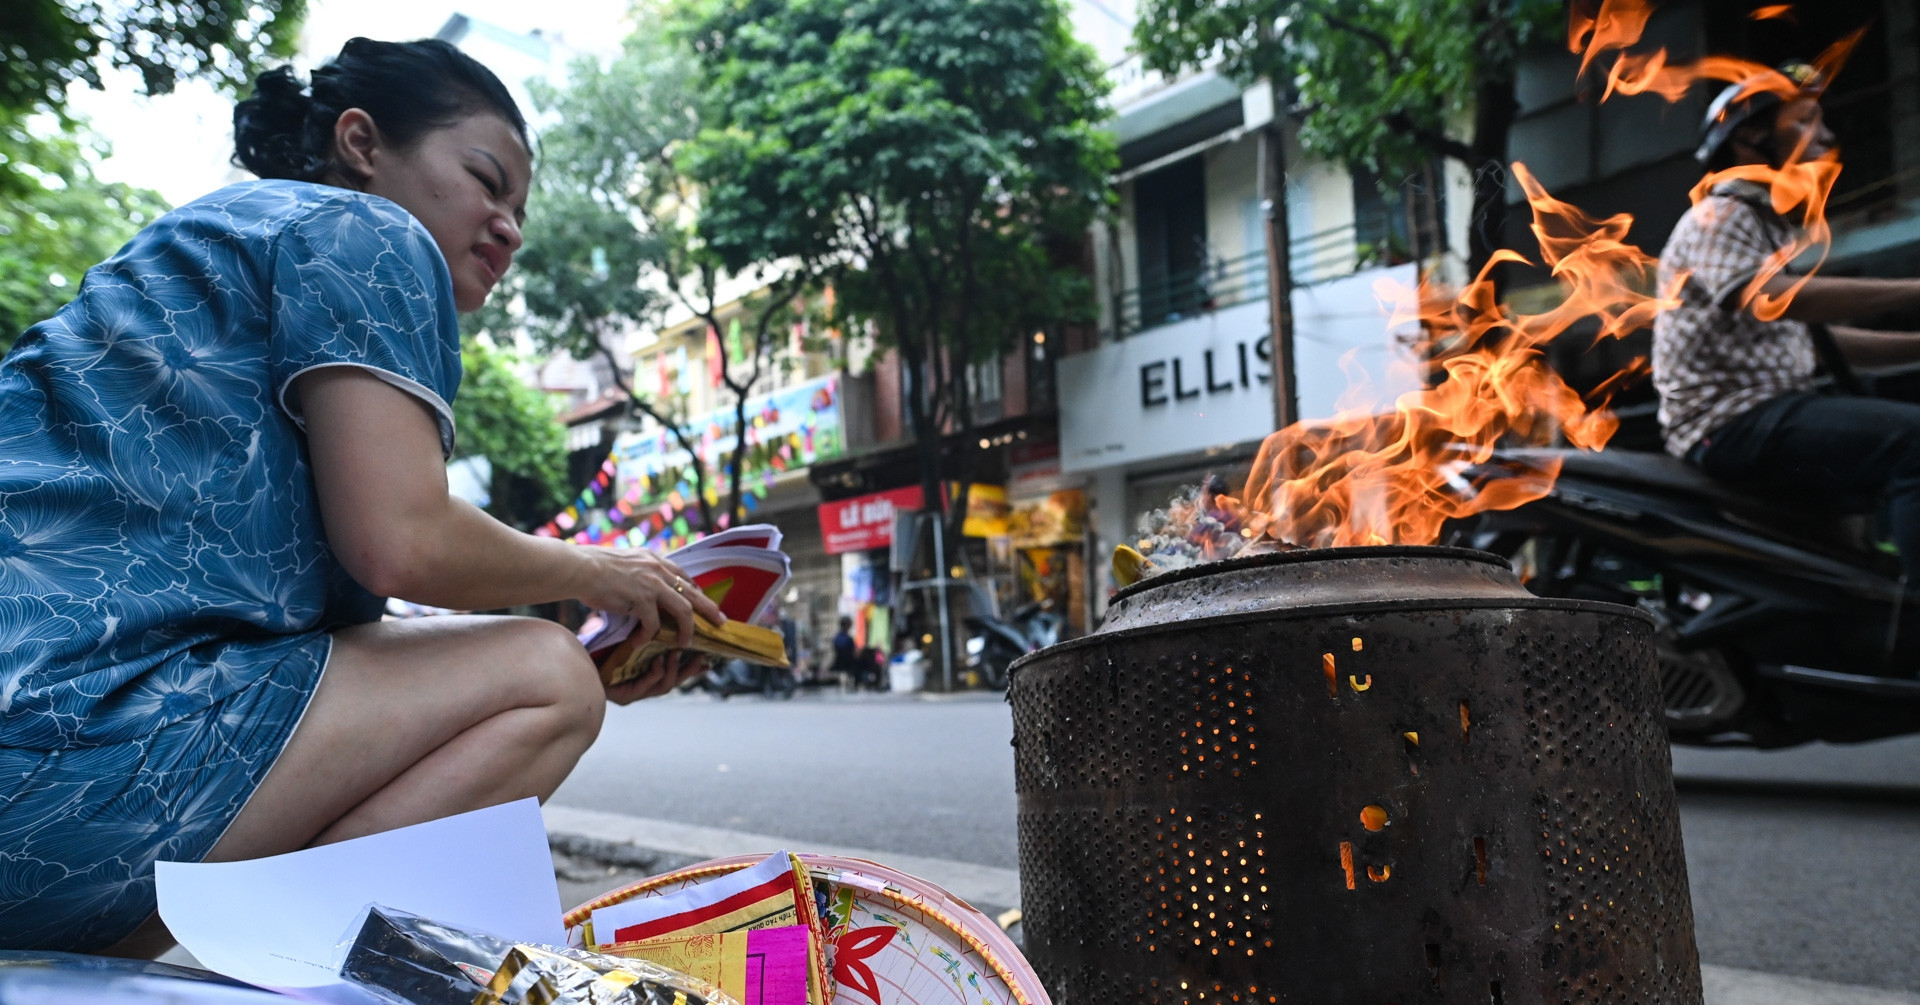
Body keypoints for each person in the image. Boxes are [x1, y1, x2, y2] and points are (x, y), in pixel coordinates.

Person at [0, 38, 725, 955]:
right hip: (54, 755)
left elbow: (338, 630)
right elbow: (404, 541)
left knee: (546, 668)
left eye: (520, 209)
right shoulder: (366, 232)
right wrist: (601, 573)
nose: (509, 226)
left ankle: (157, 953)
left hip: (42, 756)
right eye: (485, 179)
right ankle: (281, 960)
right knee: (546, 678)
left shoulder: (222, 236)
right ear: (361, 143)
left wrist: (588, 647)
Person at [1654, 61, 1920, 582]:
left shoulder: (1765, 228)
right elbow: (1769, 299)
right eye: (1805, 122)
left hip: (1770, 415)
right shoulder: (1721, 214)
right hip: (1729, 424)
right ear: (1750, 138)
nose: (1826, 136)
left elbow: (1818, 343)